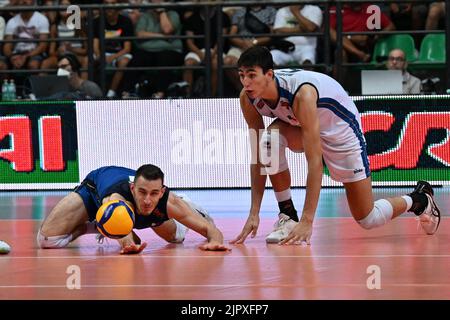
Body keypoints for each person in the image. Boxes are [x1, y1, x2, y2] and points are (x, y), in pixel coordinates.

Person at [230, 46, 441, 246]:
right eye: (241, 75)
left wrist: (308, 221)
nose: (245, 82)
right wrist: (253, 213)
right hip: (303, 125)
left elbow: (314, 162)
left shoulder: (302, 94)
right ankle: (287, 215)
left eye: (251, 75)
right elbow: (259, 157)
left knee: (368, 218)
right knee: (268, 142)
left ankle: (419, 199)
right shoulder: (247, 99)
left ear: (269, 75)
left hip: (342, 133)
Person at [37, 164, 229, 254]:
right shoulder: (117, 200)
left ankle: (186, 203)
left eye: (154, 193)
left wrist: (216, 242)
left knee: (176, 237)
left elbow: (210, 229)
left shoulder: (168, 201)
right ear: (132, 188)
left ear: (161, 192)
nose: (147, 200)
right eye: (142, 192)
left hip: (141, 211)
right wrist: (128, 243)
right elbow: (124, 235)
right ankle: (95, 224)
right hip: (95, 189)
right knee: (47, 240)